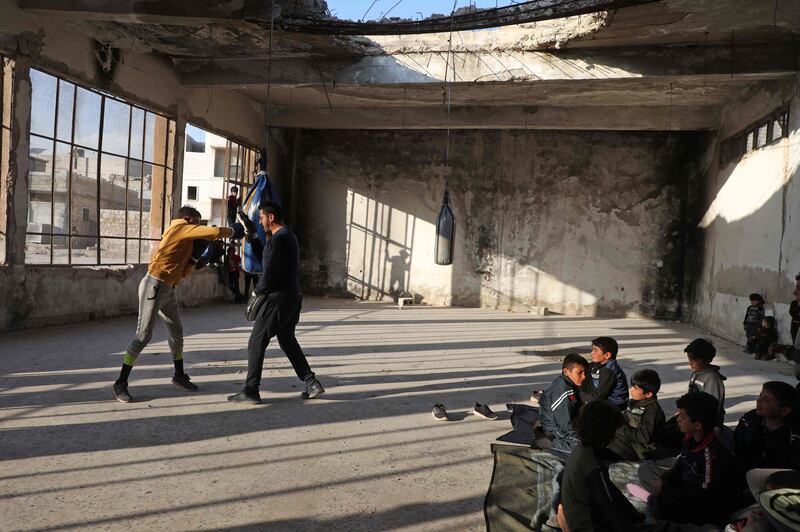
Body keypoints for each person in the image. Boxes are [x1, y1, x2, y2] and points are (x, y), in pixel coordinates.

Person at [112, 206, 243, 403]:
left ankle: (179, 375)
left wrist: (194, 259)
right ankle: (120, 382)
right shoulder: (179, 227)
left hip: (168, 288)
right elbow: (214, 232)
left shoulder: (184, 240)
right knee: (143, 336)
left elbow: (182, 274)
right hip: (153, 286)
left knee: (176, 331)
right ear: (188, 219)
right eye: (197, 224)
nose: (197, 229)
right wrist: (233, 230)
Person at [228, 201, 324, 404]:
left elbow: (269, 272)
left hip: (278, 298)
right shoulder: (284, 237)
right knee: (287, 339)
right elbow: (266, 258)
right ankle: (311, 382)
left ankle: (251, 389)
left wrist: (256, 294)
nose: (260, 221)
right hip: (292, 296)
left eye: (261, 217)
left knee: (256, 341)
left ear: (271, 217)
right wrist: (252, 236)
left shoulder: (281, 239)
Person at [637, 392, 735, 526]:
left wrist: (665, 488)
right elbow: (680, 465)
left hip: (700, 505)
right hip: (684, 486)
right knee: (645, 470)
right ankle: (657, 498)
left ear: (698, 425)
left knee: (659, 507)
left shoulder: (712, 455)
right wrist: (664, 480)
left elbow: (704, 496)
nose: (678, 419)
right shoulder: (690, 439)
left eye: (682, 417)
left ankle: (656, 501)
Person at [557, 401, 644, 532]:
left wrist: (634, 515)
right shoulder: (592, 465)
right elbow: (611, 506)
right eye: (614, 430)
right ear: (605, 432)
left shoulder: (582, 451)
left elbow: (611, 492)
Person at [733, 381, 800, 475]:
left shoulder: (795, 435)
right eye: (760, 396)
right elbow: (737, 449)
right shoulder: (748, 420)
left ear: (784, 411)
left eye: (766, 400)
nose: (759, 401)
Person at [606, 369, 666, 461]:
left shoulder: (653, 411)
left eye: (635, 389)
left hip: (641, 450)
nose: (631, 390)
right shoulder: (634, 402)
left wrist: (620, 429)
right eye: (632, 387)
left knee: (610, 444)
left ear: (648, 394)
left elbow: (644, 436)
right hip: (627, 440)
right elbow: (624, 419)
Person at [535, 353, 589, 453]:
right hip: (555, 431)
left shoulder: (565, 381)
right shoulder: (564, 393)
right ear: (566, 371)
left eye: (585, 372)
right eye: (580, 373)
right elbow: (565, 426)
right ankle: (550, 444)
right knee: (584, 449)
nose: (584, 376)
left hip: (569, 423)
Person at [580, 336, 628, 409]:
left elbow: (598, 396)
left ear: (607, 355)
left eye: (595, 350)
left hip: (614, 407)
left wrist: (580, 395)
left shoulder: (609, 371)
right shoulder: (597, 364)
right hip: (602, 400)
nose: (591, 353)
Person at [790, 274, 800, 345]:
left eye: (799, 288)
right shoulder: (794, 303)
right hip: (795, 327)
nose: (794, 293)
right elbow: (792, 313)